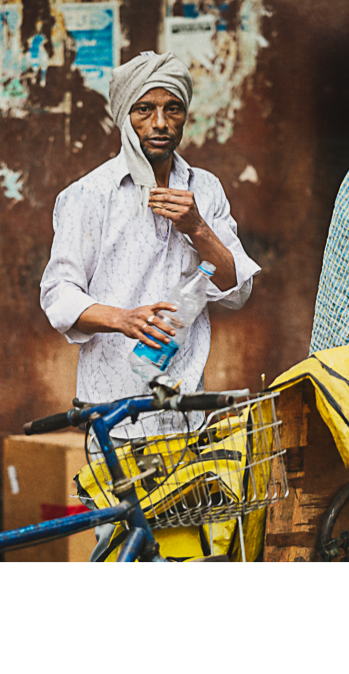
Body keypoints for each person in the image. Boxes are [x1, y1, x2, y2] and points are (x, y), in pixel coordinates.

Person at [40, 51, 260, 441]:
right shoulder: (89, 195)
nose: (160, 123)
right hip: (114, 412)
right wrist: (123, 319)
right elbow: (59, 294)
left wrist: (198, 228)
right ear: (125, 117)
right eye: (145, 109)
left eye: (172, 108)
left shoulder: (204, 189)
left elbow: (236, 289)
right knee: (122, 503)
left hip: (187, 408)